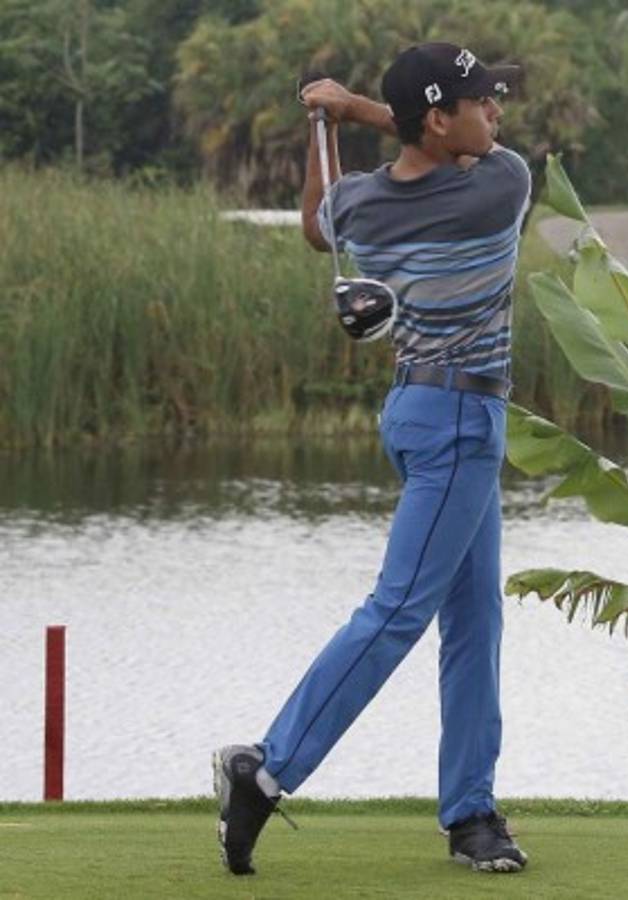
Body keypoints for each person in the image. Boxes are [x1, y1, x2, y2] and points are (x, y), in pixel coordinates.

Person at [213, 42, 531, 877]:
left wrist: (342, 118)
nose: (495, 113)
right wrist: (355, 107)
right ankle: (268, 767)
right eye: (480, 102)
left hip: (415, 411)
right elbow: (466, 154)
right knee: (398, 611)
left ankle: (471, 813)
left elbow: (318, 228)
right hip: (461, 421)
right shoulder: (499, 186)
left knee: (475, 619)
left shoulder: (360, 208)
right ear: (439, 118)